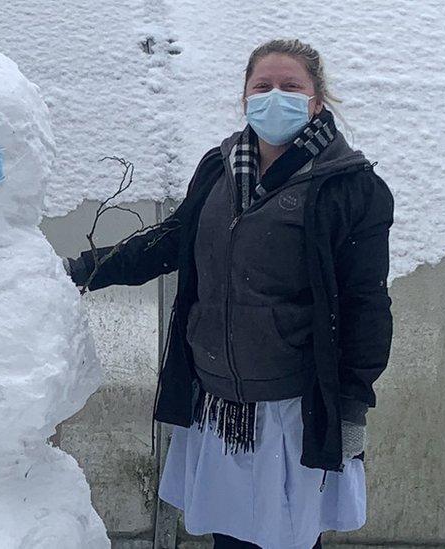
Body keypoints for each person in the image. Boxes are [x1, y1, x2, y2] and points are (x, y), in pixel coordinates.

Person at [66, 39, 393, 548]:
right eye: (262, 87)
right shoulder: (218, 168)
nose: (275, 96)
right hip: (216, 400)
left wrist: (352, 408)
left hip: (291, 407)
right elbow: (172, 241)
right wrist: (81, 269)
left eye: (291, 86)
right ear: (245, 97)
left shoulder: (350, 187)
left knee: (288, 536)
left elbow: (365, 305)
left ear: (317, 100)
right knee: (229, 536)